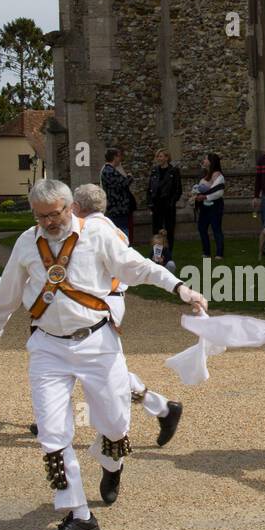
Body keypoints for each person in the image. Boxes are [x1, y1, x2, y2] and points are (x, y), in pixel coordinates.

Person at [0, 179, 208, 530]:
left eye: (55, 214)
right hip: (47, 348)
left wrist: (181, 289)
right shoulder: (27, 242)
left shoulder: (97, 235)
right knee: (52, 433)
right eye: (40, 216)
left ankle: (112, 465)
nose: (48, 222)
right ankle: (78, 514)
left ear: (70, 208)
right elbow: (7, 294)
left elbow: (138, 267)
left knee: (113, 423)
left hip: (97, 343)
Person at [68, 182, 186, 466]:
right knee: (89, 361)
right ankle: (161, 408)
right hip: (107, 300)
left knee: (96, 364)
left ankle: (162, 408)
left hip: (103, 303)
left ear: (78, 207)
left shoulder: (95, 231)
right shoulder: (111, 228)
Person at [147, 150, 183, 260]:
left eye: (161, 156)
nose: (159, 158)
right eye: (157, 156)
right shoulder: (154, 171)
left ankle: (168, 255)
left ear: (167, 158)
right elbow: (149, 189)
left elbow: (178, 190)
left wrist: (171, 202)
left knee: (169, 230)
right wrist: (150, 204)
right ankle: (156, 255)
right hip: (156, 205)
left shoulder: (174, 171)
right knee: (156, 231)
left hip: (168, 205)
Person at [191, 152, 225, 260]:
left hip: (215, 206)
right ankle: (206, 252)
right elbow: (199, 188)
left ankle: (219, 253)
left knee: (216, 229)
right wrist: (194, 194)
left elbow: (218, 192)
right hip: (204, 207)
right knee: (202, 228)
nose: (204, 161)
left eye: (206, 159)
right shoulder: (204, 175)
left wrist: (205, 197)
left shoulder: (218, 176)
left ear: (211, 162)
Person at [100, 148, 135, 239]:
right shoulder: (109, 171)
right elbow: (120, 185)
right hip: (117, 208)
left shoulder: (111, 170)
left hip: (119, 208)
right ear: (114, 157)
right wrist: (129, 178)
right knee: (122, 232)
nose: (120, 159)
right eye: (119, 156)